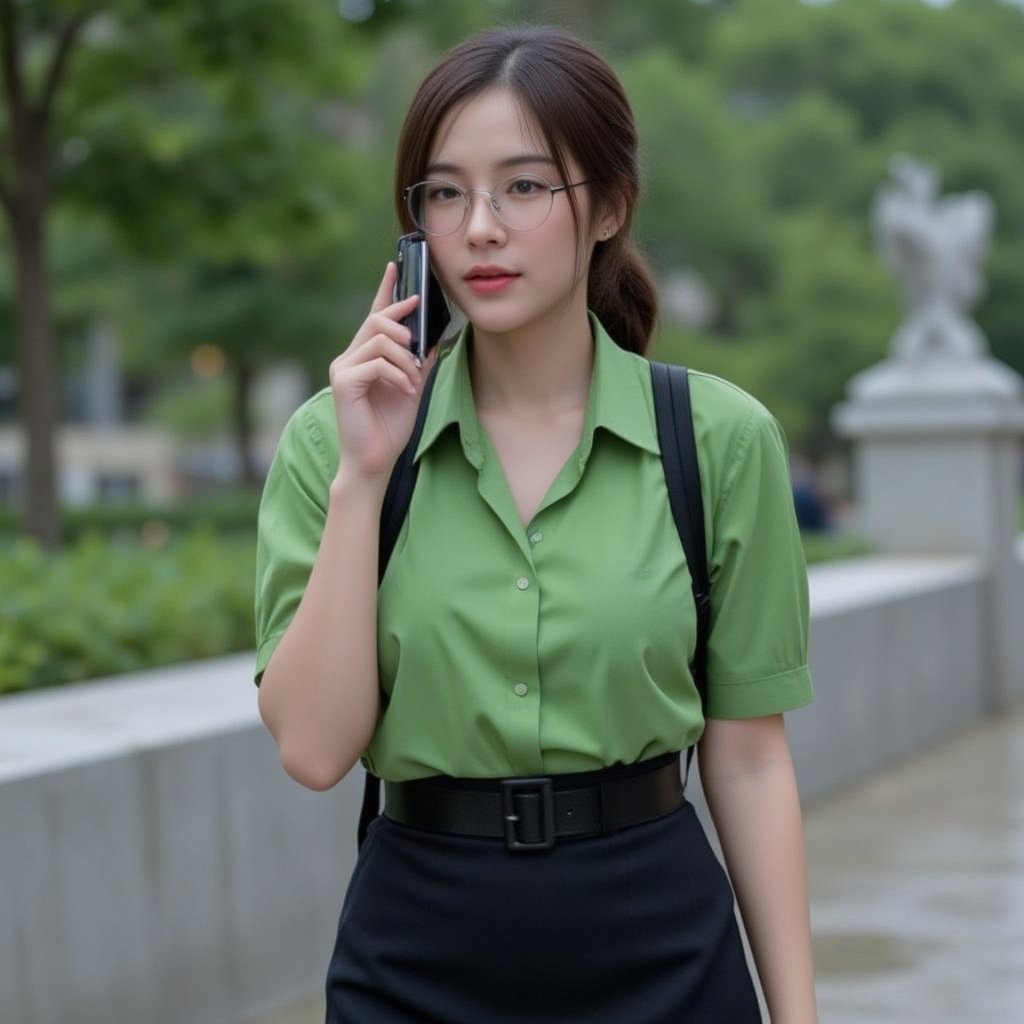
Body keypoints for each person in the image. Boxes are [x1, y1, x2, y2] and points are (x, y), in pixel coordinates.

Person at [254, 25, 818, 1024]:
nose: (478, 227)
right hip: (417, 952)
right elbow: (312, 747)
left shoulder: (719, 441)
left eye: (523, 187)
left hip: (662, 949)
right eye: (443, 192)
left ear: (605, 206)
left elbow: (749, 756)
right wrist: (362, 475)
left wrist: (799, 1015)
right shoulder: (332, 440)